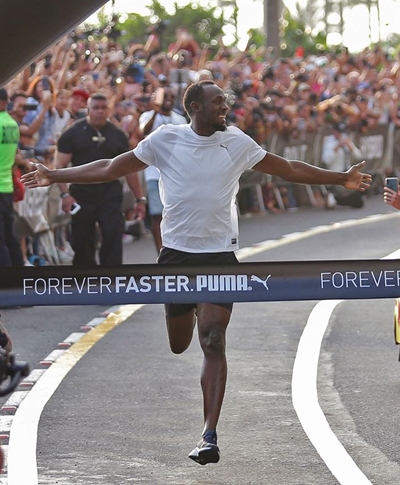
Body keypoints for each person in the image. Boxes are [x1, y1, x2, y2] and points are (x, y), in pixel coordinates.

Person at [22, 80, 371, 466]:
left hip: (219, 256)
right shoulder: (165, 140)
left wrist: (341, 179)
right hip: (176, 258)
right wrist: (55, 175)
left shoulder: (236, 141)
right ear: (194, 107)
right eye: (217, 102)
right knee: (179, 343)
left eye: (226, 101)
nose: (226, 107)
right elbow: (109, 167)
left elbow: (287, 168)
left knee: (214, 340)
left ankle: (209, 435)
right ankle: (186, 309)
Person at [55, 92, 145, 266]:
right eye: (95, 108)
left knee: (112, 236)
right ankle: (84, 280)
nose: (100, 112)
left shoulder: (118, 135)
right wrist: (65, 195)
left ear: (109, 110)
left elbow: (130, 169)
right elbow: (60, 167)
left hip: (110, 194)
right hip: (82, 194)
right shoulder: (72, 133)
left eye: (104, 108)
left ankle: (111, 280)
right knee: (82, 242)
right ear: (88, 110)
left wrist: (139, 199)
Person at [138, 86, 187, 253]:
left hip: (176, 176)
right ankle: (161, 251)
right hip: (154, 173)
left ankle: (176, 248)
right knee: (157, 214)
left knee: (176, 215)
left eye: (172, 96)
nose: (168, 98)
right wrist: (155, 111)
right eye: (164, 95)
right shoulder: (147, 116)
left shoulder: (180, 119)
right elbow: (143, 131)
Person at [0, 88, 24, 267]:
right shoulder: (12, 123)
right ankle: (18, 274)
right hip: (7, 186)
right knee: (10, 235)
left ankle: (6, 282)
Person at [321, 122, 364, 208]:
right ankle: (334, 198)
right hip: (336, 175)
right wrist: (338, 146)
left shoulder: (346, 140)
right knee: (357, 202)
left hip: (347, 174)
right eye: (339, 132)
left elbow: (359, 156)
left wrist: (350, 147)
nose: (341, 134)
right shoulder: (329, 142)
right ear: (334, 132)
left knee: (361, 193)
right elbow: (326, 160)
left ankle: (335, 198)